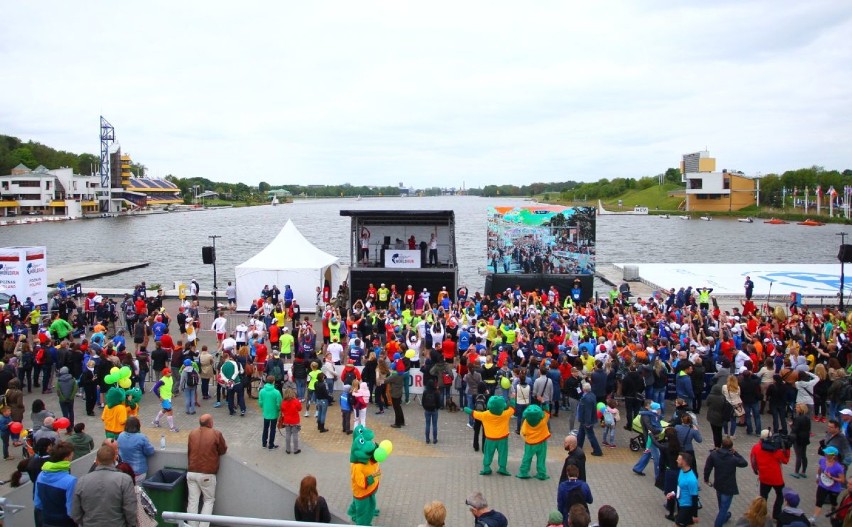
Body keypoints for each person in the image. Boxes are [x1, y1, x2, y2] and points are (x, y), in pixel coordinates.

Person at [72, 444, 137, 526]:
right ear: (114, 458)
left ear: (96, 460)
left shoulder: (82, 481)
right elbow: (130, 509)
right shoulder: (125, 480)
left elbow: (75, 513)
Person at [187, 414, 228, 527]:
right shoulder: (216, 434)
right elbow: (223, 450)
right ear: (210, 423)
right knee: (208, 500)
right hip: (206, 474)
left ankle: (191, 525)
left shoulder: (192, 433)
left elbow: (189, 451)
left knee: (192, 501)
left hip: (191, 472)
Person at [704, 436, 748, 527]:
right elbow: (744, 463)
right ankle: (719, 523)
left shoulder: (714, 454)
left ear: (721, 445)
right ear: (731, 447)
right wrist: (736, 453)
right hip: (728, 486)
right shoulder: (733, 458)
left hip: (718, 484)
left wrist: (706, 479)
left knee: (721, 505)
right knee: (724, 508)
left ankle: (725, 516)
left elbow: (707, 468)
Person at [750, 428, 791, 521]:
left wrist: (755, 470)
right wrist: (787, 449)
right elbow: (785, 460)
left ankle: (761, 514)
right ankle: (776, 514)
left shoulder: (756, 447)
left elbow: (753, 460)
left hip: (764, 477)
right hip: (777, 478)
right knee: (780, 495)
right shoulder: (775, 450)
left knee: (763, 497)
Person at [34, 440, 77, 527]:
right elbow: (71, 510)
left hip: (46, 521)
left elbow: (38, 503)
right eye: (72, 455)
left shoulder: (41, 475)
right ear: (66, 458)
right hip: (64, 522)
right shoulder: (71, 481)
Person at [812, 446, 847, 524]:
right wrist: (818, 477)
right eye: (825, 452)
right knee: (819, 501)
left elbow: (842, 480)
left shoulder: (838, 467)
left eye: (827, 453)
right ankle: (814, 518)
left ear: (833, 456)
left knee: (833, 502)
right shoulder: (822, 460)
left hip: (834, 489)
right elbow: (820, 468)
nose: (825, 454)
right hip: (822, 485)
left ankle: (834, 509)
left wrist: (831, 477)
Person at [117, 416, 155, 483]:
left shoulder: (120, 435)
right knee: (137, 491)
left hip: (124, 472)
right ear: (138, 426)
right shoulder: (141, 437)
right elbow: (150, 451)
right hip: (138, 472)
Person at [668, 452, 699, 527]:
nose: (676, 460)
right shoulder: (682, 471)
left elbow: (695, 498)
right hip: (681, 504)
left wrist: (695, 515)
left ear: (684, 462)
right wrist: (673, 493)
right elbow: (680, 487)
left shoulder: (691, 480)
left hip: (687, 507)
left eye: (678, 459)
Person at [576, 382, 603, 457]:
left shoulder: (587, 398)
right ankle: (578, 447)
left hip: (586, 421)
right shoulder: (591, 395)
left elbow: (588, 411)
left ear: (584, 389)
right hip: (585, 420)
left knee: (590, 435)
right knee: (581, 434)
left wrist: (588, 423)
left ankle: (597, 450)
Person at [259, 375, 283, 449]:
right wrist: (279, 410)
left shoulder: (262, 391)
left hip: (266, 412)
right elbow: (279, 403)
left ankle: (264, 443)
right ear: (273, 382)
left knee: (265, 428)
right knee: (273, 429)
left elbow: (260, 402)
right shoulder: (276, 392)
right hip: (274, 413)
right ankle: (271, 444)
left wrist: (263, 407)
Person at [151, 368, 179, 432]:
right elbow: (155, 389)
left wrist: (171, 394)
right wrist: (159, 397)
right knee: (170, 411)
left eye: (170, 372)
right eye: (169, 372)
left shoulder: (171, 378)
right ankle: (172, 427)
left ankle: (156, 421)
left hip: (168, 397)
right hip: (164, 398)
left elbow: (168, 387)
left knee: (164, 410)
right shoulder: (162, 381)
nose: (170, 373)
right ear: (165, 373)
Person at [790, 403, 811, 479]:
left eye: (797, 407)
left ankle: (796, 472)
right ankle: (803, 471)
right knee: (803, 455)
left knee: (798, 455)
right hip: (805, 438)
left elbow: (795, 429)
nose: (796, 409)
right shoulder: (807, 418)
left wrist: (791, 425)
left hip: (798, 438)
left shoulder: (798, 418)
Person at [279, 387, 302, 454]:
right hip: (295, 421)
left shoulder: (283, 402)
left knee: (288, 434)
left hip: (286, 421)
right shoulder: (295, 401)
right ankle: (295, 449)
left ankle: (288, 449)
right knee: (295, 435)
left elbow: (282, 410)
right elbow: (300, 409)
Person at [54, 366, 77, 433]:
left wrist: (63, 398)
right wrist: (71, 397)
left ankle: (68, 428)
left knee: (65, 414)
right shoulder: (72, 379)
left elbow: (58, 391)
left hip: (62, 400)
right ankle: (72, 426)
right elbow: (75, 389)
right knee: (71, 412)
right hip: (71, 399)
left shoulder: (59, 380)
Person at [422, 378, 440, 444]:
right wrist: (437, 408)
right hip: (434, 410)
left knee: (427, 424)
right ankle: (435, 439)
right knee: (434, 425)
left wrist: (425, 407)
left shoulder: (425, 392)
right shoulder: (436, 392)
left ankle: (427, 439)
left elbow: (423, 401)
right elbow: (438, 402)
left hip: (427, 410)